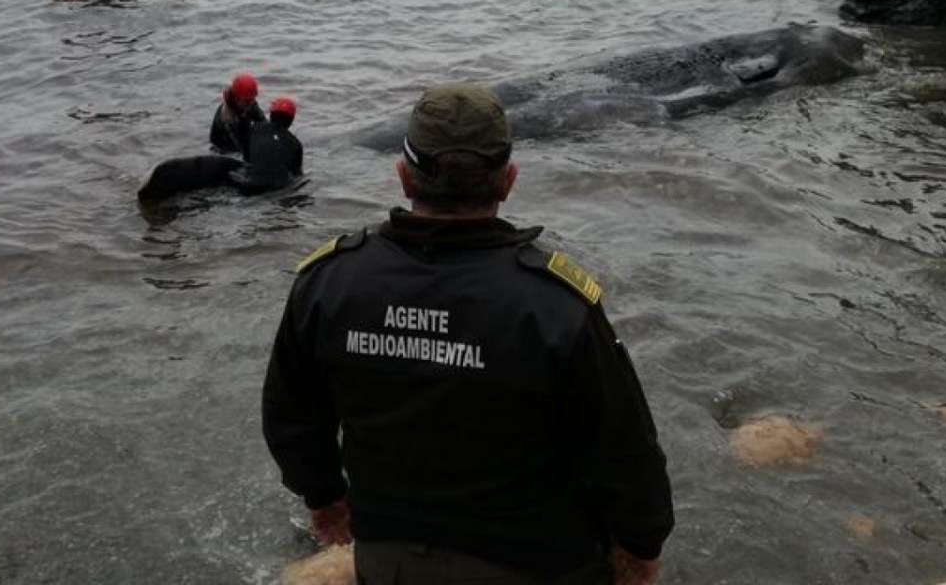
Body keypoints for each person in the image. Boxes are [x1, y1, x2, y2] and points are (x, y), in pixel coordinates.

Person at [262, 82, 674, 585]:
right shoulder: (554, 304)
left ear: (403, 177)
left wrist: (323, 497)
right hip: (533, 562)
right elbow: (626, 451)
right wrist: (640, 547)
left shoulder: (328, 282)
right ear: (507, 180)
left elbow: (290, 415)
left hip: (386, 558)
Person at [227, 96, 304, 195]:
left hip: (249, 185)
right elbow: (297, 175)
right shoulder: (296, 144)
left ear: (271, 115)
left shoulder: (255, 128)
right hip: (275, 189)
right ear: (291, 120)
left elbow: (246, 158)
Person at [210, 73, 266, 155]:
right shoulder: (227, 119)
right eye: (247, 101)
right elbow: (239, 148)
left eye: (252, 99)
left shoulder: (249, 101)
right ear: (235, 98)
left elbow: (263, 123)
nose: (251, 104)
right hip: (225, 147)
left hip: (243, 132)